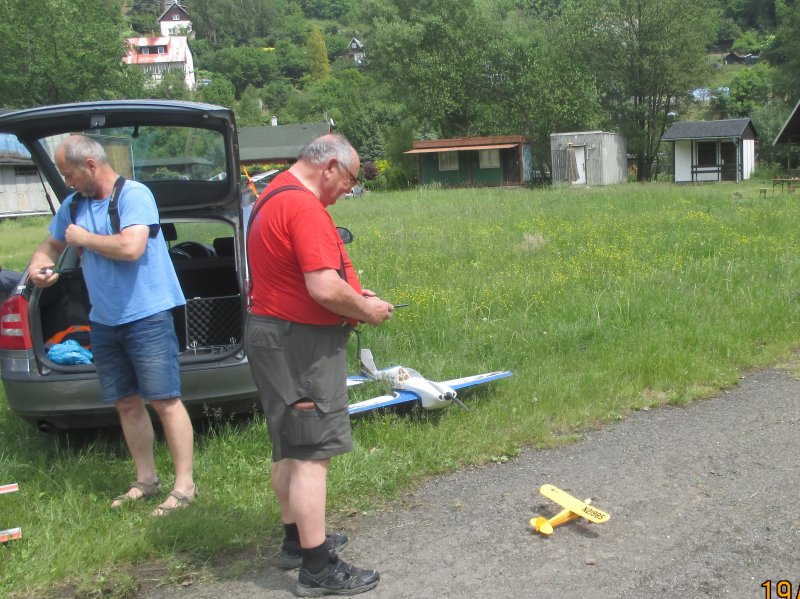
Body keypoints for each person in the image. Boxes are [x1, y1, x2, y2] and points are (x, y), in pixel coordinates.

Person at [245, 134, 393, 596]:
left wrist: (357, 294)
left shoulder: (270, 195)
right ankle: (316, 569)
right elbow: (324, 288)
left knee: (289, 443)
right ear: (329, 166)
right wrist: (366, 309)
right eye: (349, 180)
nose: (348, 190)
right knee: (312, 453)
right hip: (301, 342)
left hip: (272, 334)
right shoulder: (305, 208)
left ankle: (295, 541)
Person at [28, 134, 196, 517]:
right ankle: (147, 480)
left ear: (90, 165)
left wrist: (84, 238)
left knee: (165, 400)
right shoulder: (73, 205)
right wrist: (38, 267)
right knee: (125, 403)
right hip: (104, 319)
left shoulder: (135, 195)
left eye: (69, 174)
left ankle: (185, 486)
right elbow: (51, 246)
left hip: (147, 315)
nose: (67, 182)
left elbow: (131, 247)